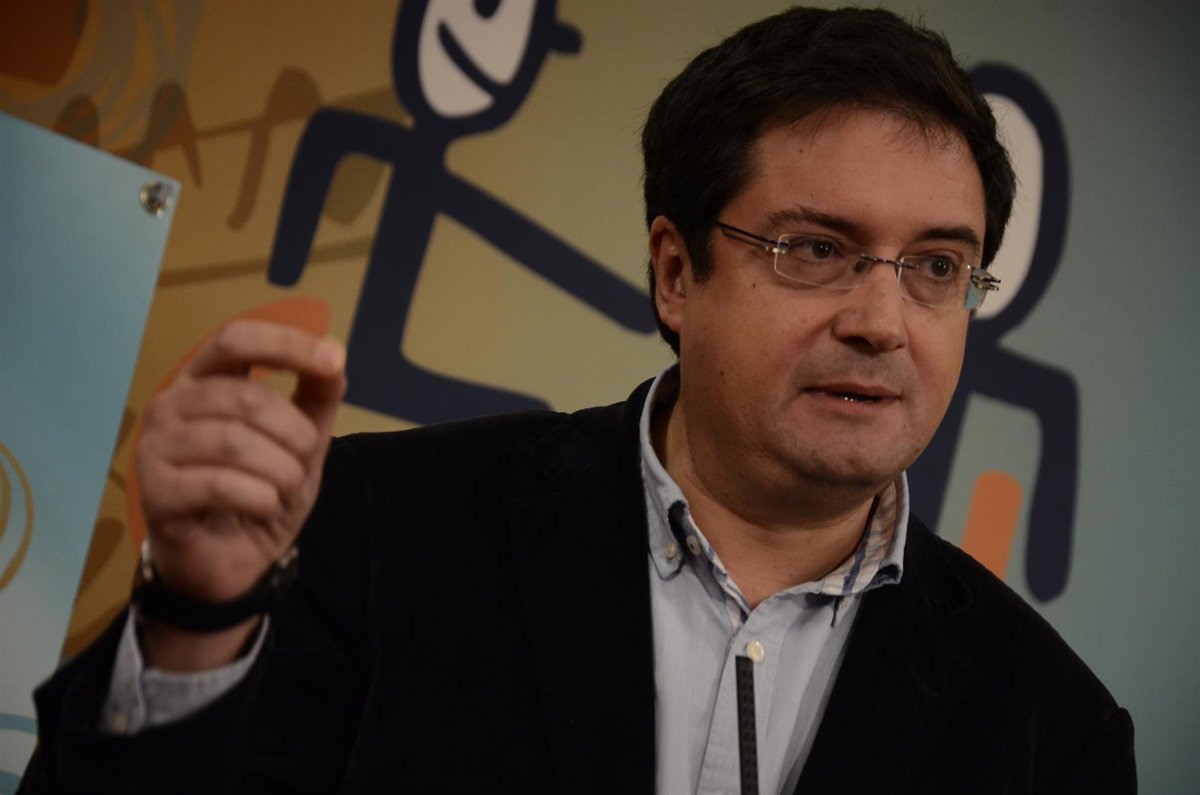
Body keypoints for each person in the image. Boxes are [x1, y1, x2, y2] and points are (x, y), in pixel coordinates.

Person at [20, 6, 1134, 794]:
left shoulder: (1057, 729)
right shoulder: (370, 530)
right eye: (815, 249)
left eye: (936, 266)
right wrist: (196, 620)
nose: (883, 320)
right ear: (676, 273)